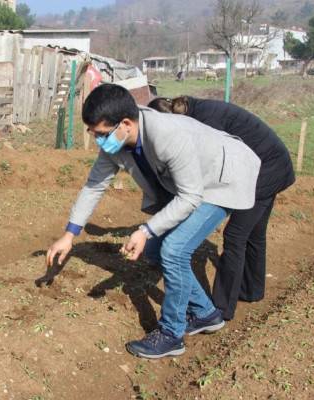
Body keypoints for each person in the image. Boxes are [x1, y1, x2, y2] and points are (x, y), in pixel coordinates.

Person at [46, 84, 261, 359]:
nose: (98, 141)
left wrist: (146, 229)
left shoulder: (168, 135)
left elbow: (190, 196)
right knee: (156, 249)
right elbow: (94, 185)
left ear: (125, 123)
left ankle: (172, 334)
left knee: (173, 250)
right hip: (194, 183)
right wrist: (69, 234)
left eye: (101, 134)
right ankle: (206, 314)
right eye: (94, 134)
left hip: (224, 179)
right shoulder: (117, 141)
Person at [147, 96, 295, 320]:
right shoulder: (198, 110)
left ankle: (222, 307)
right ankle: (251, 290)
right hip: (274, 163)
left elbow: (211, 166)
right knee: (254, 234)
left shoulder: (205, 121)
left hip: (264, 170)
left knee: (235, 235)